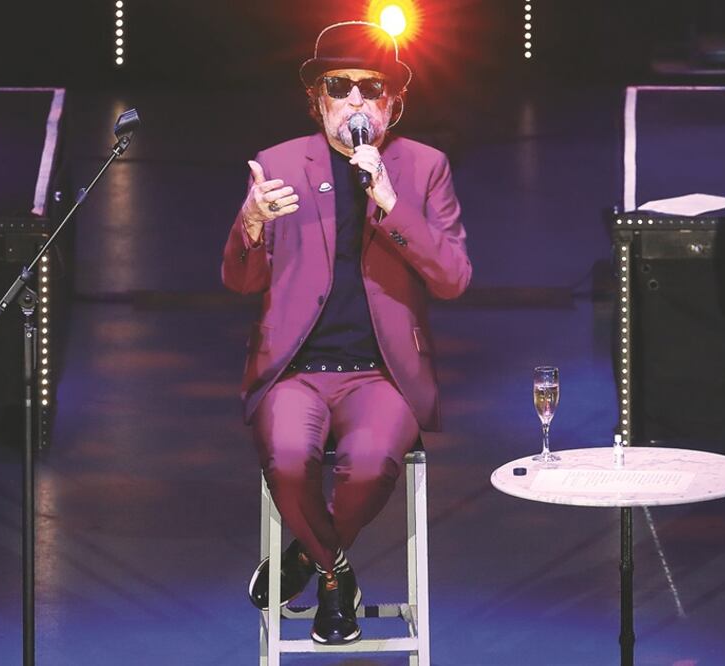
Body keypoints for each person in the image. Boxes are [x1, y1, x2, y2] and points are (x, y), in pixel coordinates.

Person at [221, 21, 471, 645]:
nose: (356, 100)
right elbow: (239, 281)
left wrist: (391, 203)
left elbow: (453, 279)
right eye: (341, 87)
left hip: (380, 373)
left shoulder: (423, 167)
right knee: (286, 457)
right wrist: (250, 223)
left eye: (371, 89)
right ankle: (336, 573)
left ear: (392, 104)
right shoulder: (279, 165)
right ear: (320, 101)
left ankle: (306, 557)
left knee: (368, 463)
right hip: (297, 370)